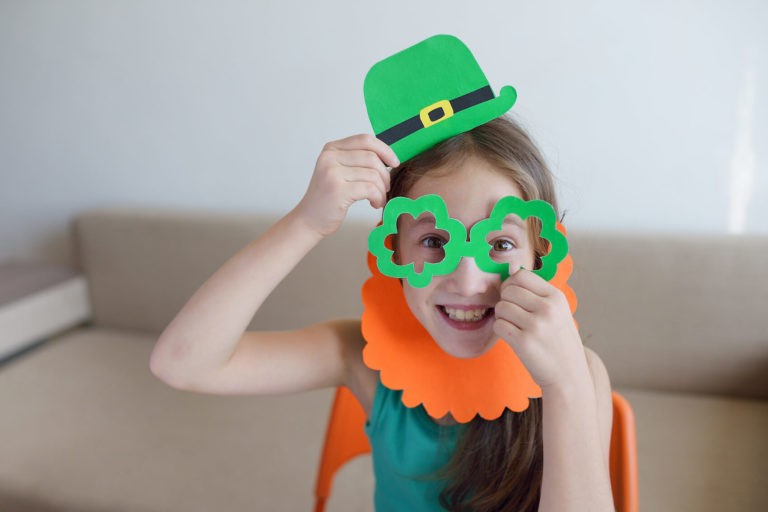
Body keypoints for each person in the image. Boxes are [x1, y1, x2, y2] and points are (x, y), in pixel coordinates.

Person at [149, 114, 615, 511]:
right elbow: (181, 363)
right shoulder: (361, 356)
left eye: (500, 244)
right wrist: (307, 221)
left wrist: (564, 384)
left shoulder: (578, 377)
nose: (470, 282)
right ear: (392, 249)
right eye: (434, 242)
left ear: (540, 255)